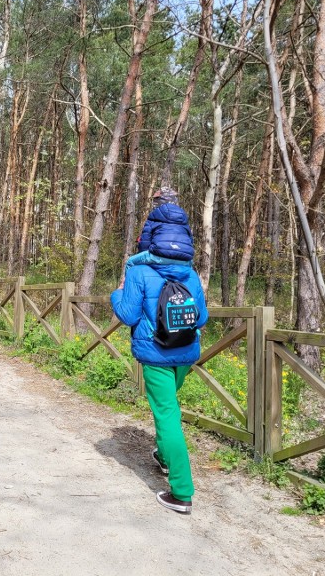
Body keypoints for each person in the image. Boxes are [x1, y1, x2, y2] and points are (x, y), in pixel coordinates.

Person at [111, 187, 208, 515]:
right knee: (167, 409)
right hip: (185, 354)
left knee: (168, 416)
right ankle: (165, 458)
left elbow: (126, 315)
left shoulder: (138, 271)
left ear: (150, 235)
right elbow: (203, 317)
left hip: (155, 355)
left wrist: (116, 294)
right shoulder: (191, 273)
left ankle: (181, 493)